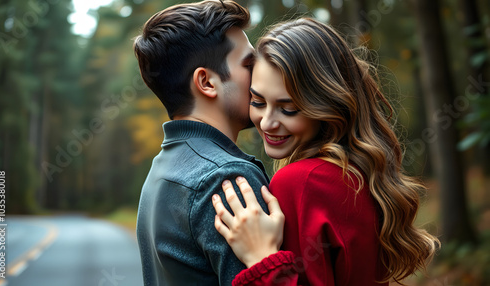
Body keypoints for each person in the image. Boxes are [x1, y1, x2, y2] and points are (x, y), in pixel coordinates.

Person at [212, 18, 440, 285]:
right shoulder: (358, 175)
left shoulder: (300, 182)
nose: (267, 122)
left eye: (288, 108)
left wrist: (262, 261)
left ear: (326, 104)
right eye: (258, 101)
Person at [132, 1, 271, 285]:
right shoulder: (226, 178)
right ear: (207, 82)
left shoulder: (163, 170)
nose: (260, 75)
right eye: (248, 64)